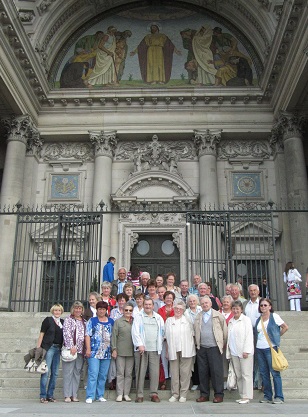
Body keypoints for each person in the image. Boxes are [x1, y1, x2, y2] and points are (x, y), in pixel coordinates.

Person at [194, 295, 227, 403]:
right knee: (202, 372)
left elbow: (224, 331)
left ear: (211, 304)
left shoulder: (218, 316)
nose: (204, 305)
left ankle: (219, 394)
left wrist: (221, 344)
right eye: (202, 303)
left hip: (214, 347)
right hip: (202, 347)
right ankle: (204, 394)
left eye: (206, 303)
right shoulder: (198, 316)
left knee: (216, 372)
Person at [254, 298, 288, 404]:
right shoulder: (258, 319)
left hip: (270, 348)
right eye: (261, 305)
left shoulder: (274, 316)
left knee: (275, 373)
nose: (263, 307)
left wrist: (276, 337)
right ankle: (267, 396)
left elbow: (285, 327)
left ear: (270, 306)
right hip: (260, 348)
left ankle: (279, 396)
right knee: (264, 373)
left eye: (265, 305)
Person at [132, 298, 165, 403]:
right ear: (143, 305)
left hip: (155, 349)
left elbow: (162, 331)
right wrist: (140, 344)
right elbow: (135, 332)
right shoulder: (138, 317)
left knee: (155, 372)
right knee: (140, 372)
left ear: (153, 306)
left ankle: (154, 394)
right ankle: (139, 395)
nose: (148, 306)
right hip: (142, 349)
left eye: (150, 304)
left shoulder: (158, 317)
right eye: (146, 304)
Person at [165, 300, 196, 402]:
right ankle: (175, 394)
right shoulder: (169, 321)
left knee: (185, 373)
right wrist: (167, 351)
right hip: (173, 349)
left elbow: (193, 335)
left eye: (180, 309)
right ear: (173, 309)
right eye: (176, 308)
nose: (178, 310)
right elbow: (166, 337)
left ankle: (183, 394)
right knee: (174, 372)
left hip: (186, 349)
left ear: (183, 310)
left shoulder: (188, 321)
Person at [85, 301, 114, 403]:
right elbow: (87, 335)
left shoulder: (111, 321)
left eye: (103, 309)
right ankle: (90, 395)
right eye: (99, 309)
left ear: (106, 310)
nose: (101, 311)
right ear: (96, 310)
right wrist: (88, 349)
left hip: (107, 352)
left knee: (103, 375)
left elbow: (113, 337)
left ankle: (100, 395)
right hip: (94, 352)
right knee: (93, 373)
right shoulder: (91, 321)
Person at [227, 300, 254, 404]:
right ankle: (242, 395)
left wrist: (246, 350)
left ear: (241, 309)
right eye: (233, 308)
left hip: (244, 352)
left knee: (246, 374)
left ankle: (247, 396)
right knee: (238, 375)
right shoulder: (231, 321)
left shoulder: (246, 320)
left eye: (237, 308)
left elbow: (249, 335)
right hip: (234, 352)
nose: (235, 310)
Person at [37, 303, 64, 403]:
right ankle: (43, 395)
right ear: (52, 311)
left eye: (59, 310)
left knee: (55, 373)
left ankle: (50, 395)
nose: (57, 312)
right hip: (49, 348)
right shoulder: (47, 320)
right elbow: (41, 335)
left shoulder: (62, 322)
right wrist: (38, 348)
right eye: (55, 310)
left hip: (58, 349)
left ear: (61, 312)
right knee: (45, 372)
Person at [62, 301, 86, 402]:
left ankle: (74, 394)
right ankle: (67, 395)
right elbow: (67, 333)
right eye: (76, 308)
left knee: (77, 373)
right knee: (68, 372)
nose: (78, 310)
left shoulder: (84, 321)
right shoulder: (68, 320)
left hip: (80, 351)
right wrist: (72, 346)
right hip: (70, 350)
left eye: (80, 308)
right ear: (73, 309)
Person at [111, 302, 134, 402]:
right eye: (126, 310)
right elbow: (114, 336)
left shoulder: (135, 321)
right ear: (123, 311)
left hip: (132, 352)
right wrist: (114, 349)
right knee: (120, 373)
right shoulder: (118, 322)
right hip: (120, 351)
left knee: (129, 374)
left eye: (130, 310)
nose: (128, 312)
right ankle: (119, 394)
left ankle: (126, 394)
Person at [244, 284, 261, 390]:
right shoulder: (246, 304)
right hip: (248, 331)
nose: (253, 292)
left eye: (255, 290)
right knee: (251, 356)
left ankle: (259, 382)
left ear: (258, 292)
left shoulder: (262, 303)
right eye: (251, 290)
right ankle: (253, 382)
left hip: (259, 332)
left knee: (259, 358)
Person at [157, 291, 175, 389]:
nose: (168, 299)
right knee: (163, 358)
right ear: (164, 299)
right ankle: (164, 378)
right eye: (167, 298)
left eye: (170, 298)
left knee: (172, 357)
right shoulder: (160, 310)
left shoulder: (176, 310)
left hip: (173, 338)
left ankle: (173, 378)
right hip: (163, 338)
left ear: (173, 299)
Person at [184, 294, 202, 391]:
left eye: (194, 301)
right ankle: (195, 382)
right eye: (190, 301)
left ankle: (203, 382)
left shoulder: (201, 310)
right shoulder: (185, 312)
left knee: (202, 362)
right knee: (193, 362)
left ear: (197, 301)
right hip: (191, 339)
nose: (192, 303)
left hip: (202, 339)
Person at [220, 294, 234, 389]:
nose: (225, 303)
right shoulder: (218, 313)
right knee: (223, 364)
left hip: (232, 343)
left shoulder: (234, 314)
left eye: (227, 302)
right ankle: (225, 380)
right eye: (224, 302)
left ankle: (233, 381)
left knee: (233, 363)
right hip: (221, 344)